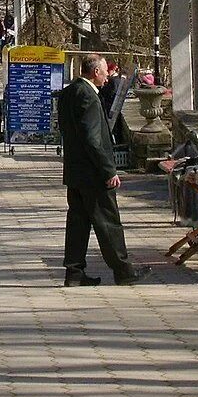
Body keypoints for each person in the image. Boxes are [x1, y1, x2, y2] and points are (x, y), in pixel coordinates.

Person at [58, 54, 150, 287]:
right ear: (95, 72)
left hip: (76, 171)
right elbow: (93, 138)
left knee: (78, 223)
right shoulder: (87, 95)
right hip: (92, 173)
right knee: (108, 222)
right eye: (105, 71)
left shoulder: (69, 92)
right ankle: (123, 270)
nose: (109, 75)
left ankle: (74, 272)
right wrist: (108, 170)